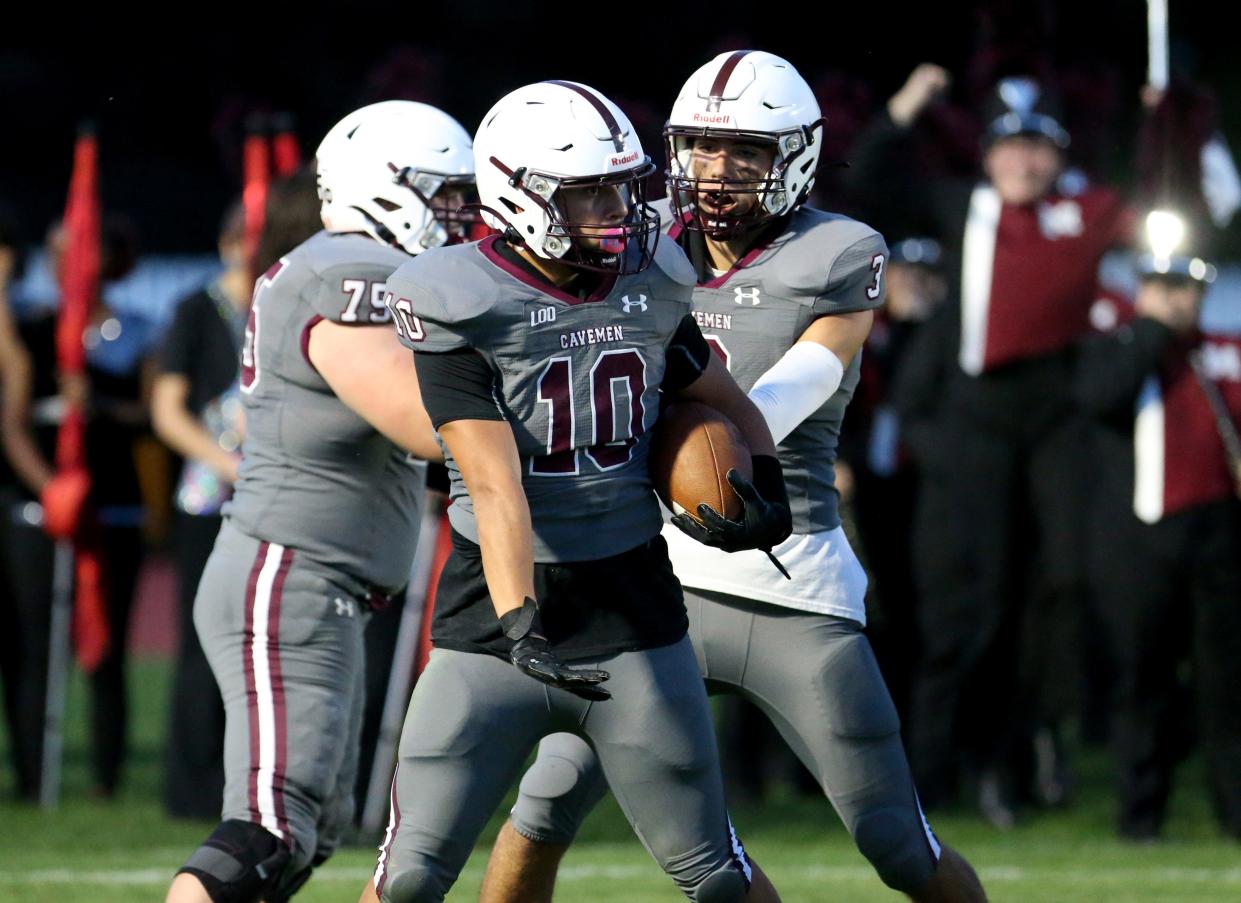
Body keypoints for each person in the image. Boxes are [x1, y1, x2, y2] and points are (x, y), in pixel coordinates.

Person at [478, 53, 987, 903]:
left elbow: (790, 393)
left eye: (744, 151)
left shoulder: (836, 250)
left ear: (793, 157)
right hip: (645, 586)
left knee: (897, 839)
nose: (716, 171)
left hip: (784, 581)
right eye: (703, 148)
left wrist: (682, 445)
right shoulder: (631, 244)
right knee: (540, 808)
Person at [361, 79, 791, 903]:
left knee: (715, 878)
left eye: (621, 189)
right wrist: (521, 618)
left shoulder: (650, 278)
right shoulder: (458, 297)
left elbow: (721, 399)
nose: (616, 211)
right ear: (519, 194)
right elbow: (493, 482)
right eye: (588, 192)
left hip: (631, 608)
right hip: (492, 618)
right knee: (410, 875)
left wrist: (762, 485)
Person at [164, 100, 469, 903]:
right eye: (443, 193)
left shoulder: (364, 268)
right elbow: (430, 422)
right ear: (385, 187)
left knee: (304, 835)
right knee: (266, 833)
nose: (459, 215)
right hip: (286, 573)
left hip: (322, 585)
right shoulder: (345, 269)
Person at [847, 64, 1135, 821]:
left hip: (1052, 422)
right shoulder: (960, 207)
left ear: (1059, 155)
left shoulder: (1089, 211)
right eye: (1008, 147)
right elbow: (869, 177)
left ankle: (1014, 764)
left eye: (1038, 147)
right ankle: (927, 780)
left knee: (1048, 596)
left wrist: (1167, 119)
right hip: (971, 426)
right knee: (961, 611)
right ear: (986, 154)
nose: (1023, 163)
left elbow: (1178, 200)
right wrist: (906, 106)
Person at [1075, 217, 1241, 841]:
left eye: (1186, 287)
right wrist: (1150, 329)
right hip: (1137, 540)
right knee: (1142, 678)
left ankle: (1234, 813)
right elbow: (1101, 398)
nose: (1175, 297)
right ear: (1141, 291)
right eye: (1161, 286)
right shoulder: (1114, 345)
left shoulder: (1223, 350)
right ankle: (1141, 817)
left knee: (1226, 685)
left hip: (1217, 534)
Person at [3, 214, 152, 798]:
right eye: (61, 253)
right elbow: (11, 420)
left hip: (113, 507)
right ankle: (33, 775)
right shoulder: (29, 331)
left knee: (109, 646)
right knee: (34, 646)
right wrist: (51, 490)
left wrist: (103, 408)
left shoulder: (136, 330)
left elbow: (150, 409)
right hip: (43, 509)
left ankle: (108, 777)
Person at [151, 200, 251, 819]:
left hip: (269, 499)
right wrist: (224, 462)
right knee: (200, 641)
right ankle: (191, 788)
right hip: (209, 499)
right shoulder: (196, 310)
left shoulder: (281, 304)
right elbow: (169, 409)